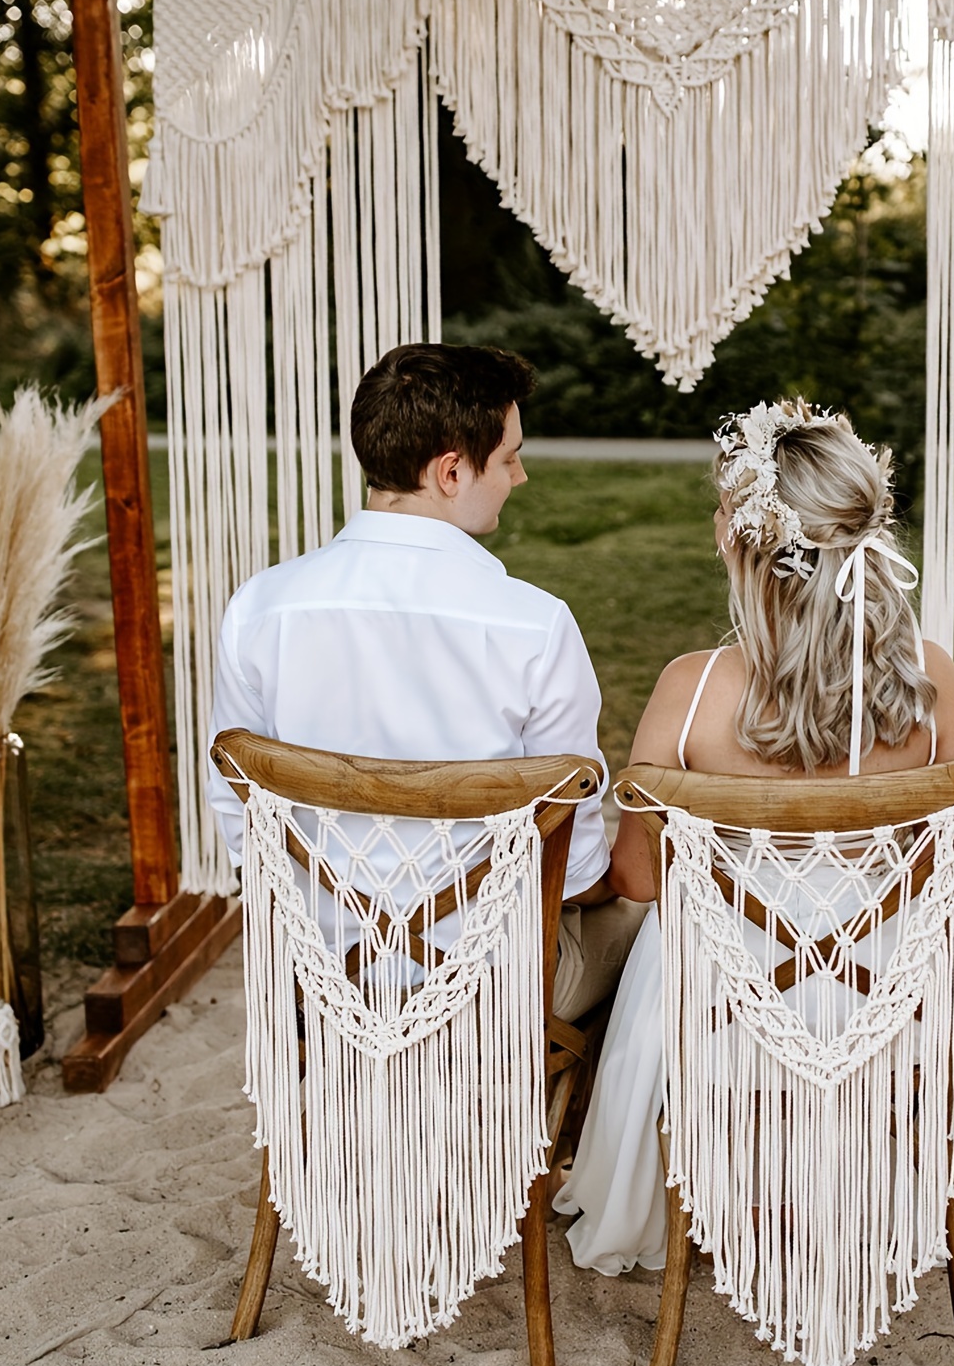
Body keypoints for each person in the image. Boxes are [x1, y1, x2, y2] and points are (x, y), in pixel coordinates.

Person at [555, 398, 954, 1273]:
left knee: (635, 953)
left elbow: (639, 880)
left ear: (745, 543)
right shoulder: (931, 680)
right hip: (887, 992)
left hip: (720, 998)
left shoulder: (691, 692)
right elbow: (953, 869)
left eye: (725, 510)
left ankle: (713, 1181)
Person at [206, 342, 644, 1018]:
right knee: (652, 930)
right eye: (507, 458)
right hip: (493, 987)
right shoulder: (535, 627)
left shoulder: (259, 609)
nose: (518, 477)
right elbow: (578, 872)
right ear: (450, 472)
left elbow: (241, 823)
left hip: (321, 976)